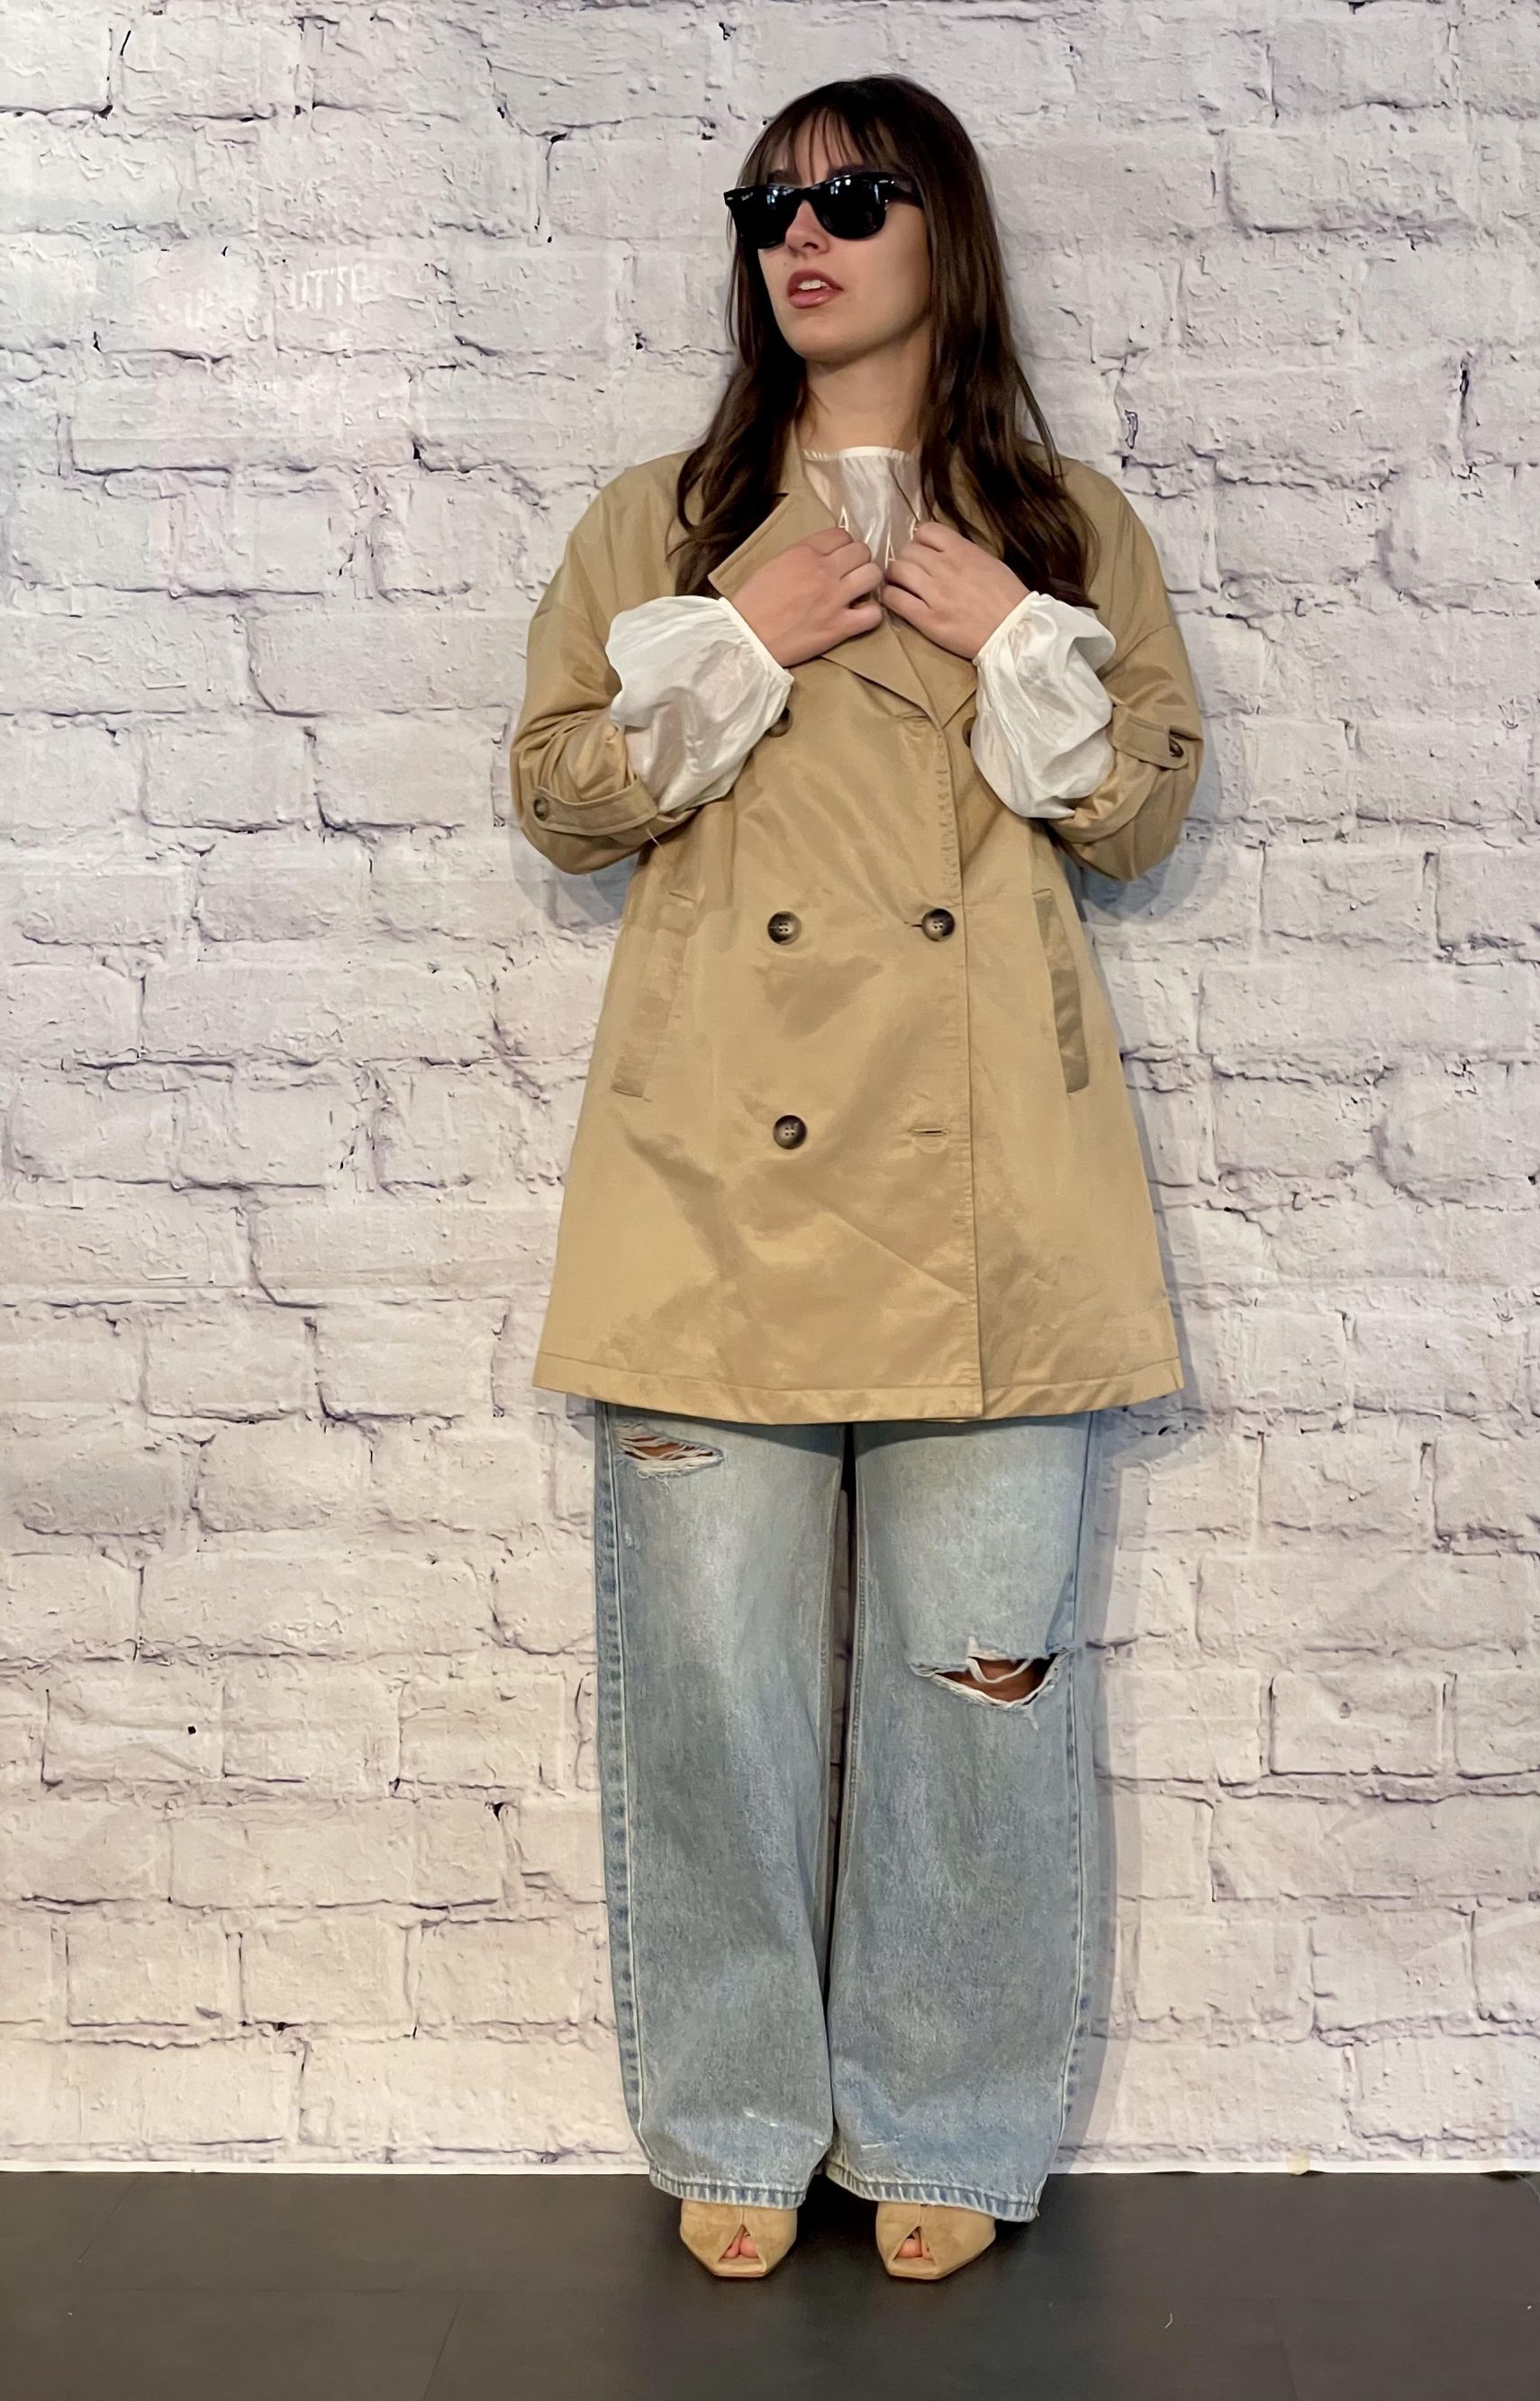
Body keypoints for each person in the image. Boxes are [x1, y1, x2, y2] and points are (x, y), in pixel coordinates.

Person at [509, 73, 1204, 2283]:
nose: (800, 235)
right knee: (712, 1693)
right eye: (769, 205)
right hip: (710, 1179)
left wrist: (1002, 626)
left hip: (993, 1195)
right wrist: (745, 632)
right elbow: (559, 795)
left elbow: (1138, 812)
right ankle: (731, 2109)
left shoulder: (1064, 524)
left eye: (854, 195)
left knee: (976, 1688)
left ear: (943, 233)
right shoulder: (664, 520)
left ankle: (948, 2111)